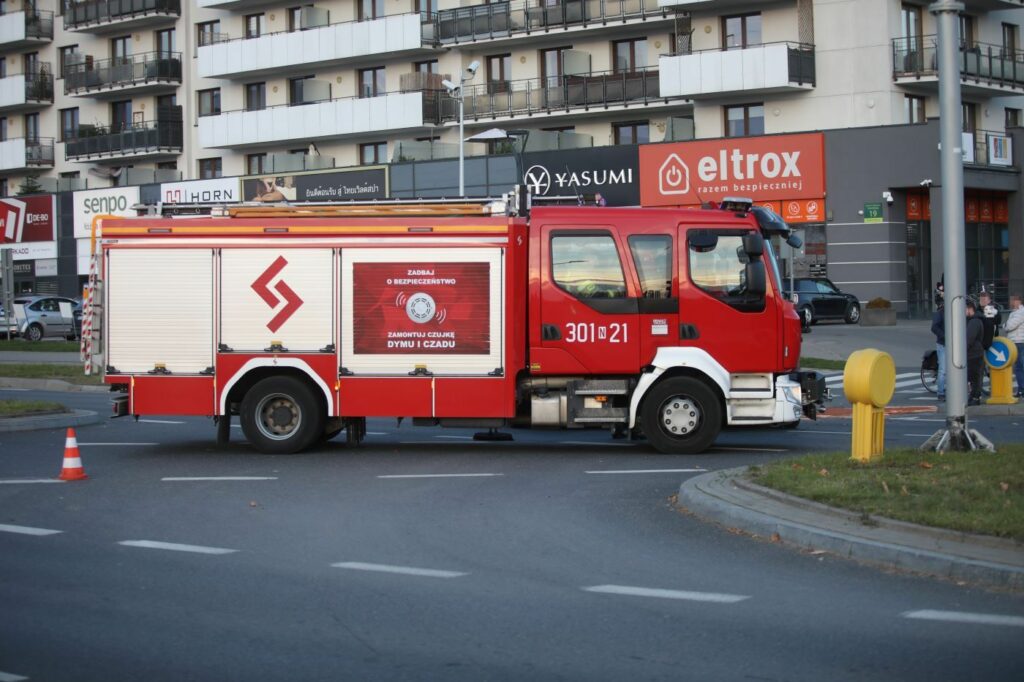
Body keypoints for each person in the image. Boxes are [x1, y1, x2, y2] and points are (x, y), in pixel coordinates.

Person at [1004, 293, 1024, 398]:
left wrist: (1005, 325)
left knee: (1019, 367)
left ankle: (1022, 389)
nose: (1011, 302)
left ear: (1017, 301)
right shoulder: (1015, 312)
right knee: (1019, 366)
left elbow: (1009, 326)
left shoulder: (1020, 312)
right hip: (1016, 341)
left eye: (1012, 300)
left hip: (1018, 341)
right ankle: (1021, 389)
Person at [966, 298, 985, 405]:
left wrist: (963, 351)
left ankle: (974, 397)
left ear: (970, 309)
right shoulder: (976, 320)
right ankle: (974, 397)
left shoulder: (974, 322)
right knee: (976, 377)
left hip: (973, 354)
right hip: (976, 352)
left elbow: (969, 339)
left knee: (974, 378)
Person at [930, 287, 946, 401]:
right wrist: (944, 336)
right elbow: (934, 327)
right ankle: (940, 392)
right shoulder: (940, 313)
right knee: (943, 370)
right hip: (943, 344)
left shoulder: (952, 312)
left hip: (951, 344)